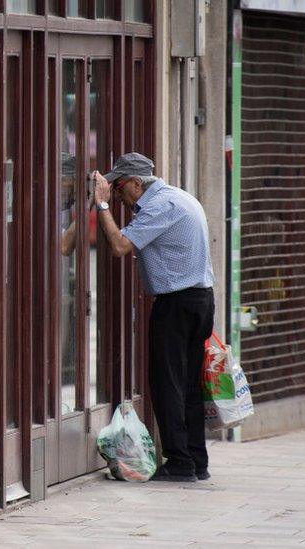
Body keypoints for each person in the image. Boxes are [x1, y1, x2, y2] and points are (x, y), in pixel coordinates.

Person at [91, 152, 215, 483]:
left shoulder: (161, 207)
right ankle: (195, 460)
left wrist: (101, 206)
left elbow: (119, 245)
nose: (116, 195)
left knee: (167, 384)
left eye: (118, 188)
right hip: (198, 300)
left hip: (178, 303)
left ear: (136, 183)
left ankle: (180, 462)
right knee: (188, 383)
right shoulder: (178, 197)